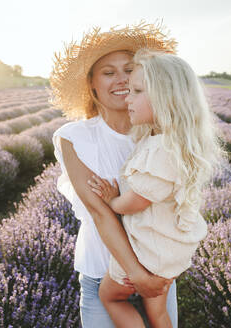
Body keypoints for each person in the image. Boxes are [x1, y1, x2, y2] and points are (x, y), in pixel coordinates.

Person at [50, 22, 178, 327]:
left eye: (129, 70)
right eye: (109, 72)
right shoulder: (74, 137)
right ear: (91, 84)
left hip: (159, 274)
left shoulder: (161, 135)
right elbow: (100, 212)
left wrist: (151, 276)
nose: (121, 80)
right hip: (101, 274)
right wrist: (137, 275)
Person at [87, 49, 219, 327]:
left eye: (136, 91)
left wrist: (113, 201)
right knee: (158, 313)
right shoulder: (171, 141)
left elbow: (136, 202)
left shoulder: (160, 149)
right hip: (168, 253)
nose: (127, 98)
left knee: (111, 297)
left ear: (164, 99)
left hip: (148, 251)